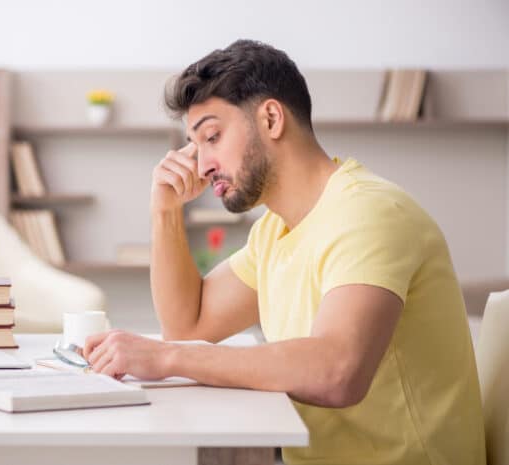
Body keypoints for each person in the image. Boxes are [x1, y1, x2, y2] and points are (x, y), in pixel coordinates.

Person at [82, 39, 486, 465]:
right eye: (196, 146)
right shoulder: (274, 232)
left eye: (213, 137)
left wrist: (168, 357)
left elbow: (338, 372)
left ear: (271, 118)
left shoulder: (369, 213)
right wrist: (164, 210)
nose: (201, 166)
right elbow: (188, 324)